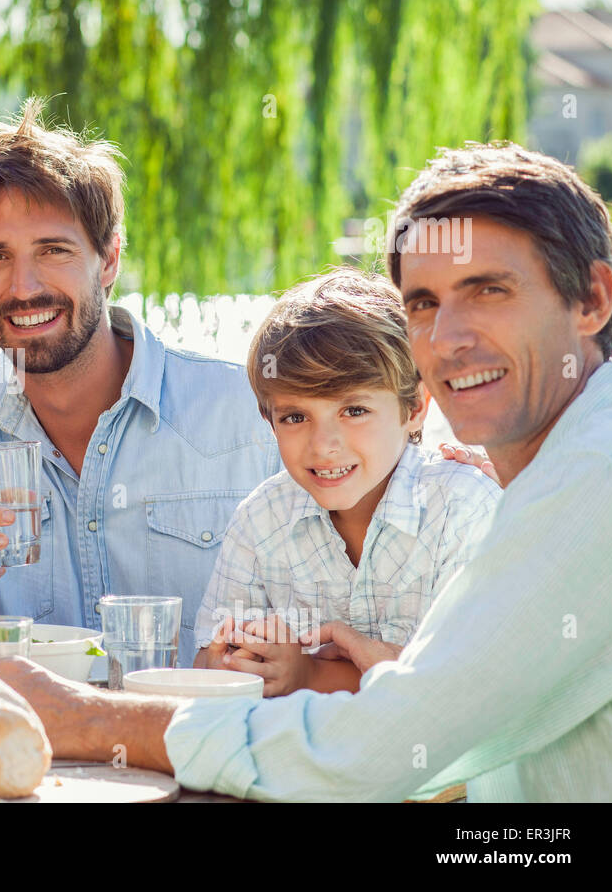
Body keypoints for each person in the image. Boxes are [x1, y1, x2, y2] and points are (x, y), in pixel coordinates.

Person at [0, 143, 612, 802]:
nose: (447, 338)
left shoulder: (598, 477)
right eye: (423, 303)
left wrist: (87, 717)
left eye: (490, 290)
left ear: (592, 299)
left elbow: (381, 748)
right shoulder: (550, 469)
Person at [0, 100, 279, 652]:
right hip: (34, 735)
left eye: (53, 250)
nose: (23, 287)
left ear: (108, 260)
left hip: (198, 733)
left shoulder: (244, 412)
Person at [192, 269, 501, 696]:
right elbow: (208, 663)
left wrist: (309, 675)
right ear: (270, 421)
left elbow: (468, 685)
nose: (324, 446)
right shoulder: (262, 519)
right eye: (295, 417)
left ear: (414, 407)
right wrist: (236, 658)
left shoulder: (462, 507)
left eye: (353, 410)